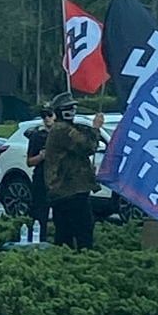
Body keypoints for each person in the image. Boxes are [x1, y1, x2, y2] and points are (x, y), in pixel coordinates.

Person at [41, 91, 105, 250]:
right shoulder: (62, 129)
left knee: (66, 234)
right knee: (82, 232)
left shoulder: (63, 128)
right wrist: (95, 129)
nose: (72, 111)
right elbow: (87, 146)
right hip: (69, 190)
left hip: (67, 190)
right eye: (69, 108)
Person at [24, 103, 55, 231]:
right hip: (41, 178)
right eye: (43, 116)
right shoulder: (37, 136)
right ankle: (39, 236)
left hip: (58, 178)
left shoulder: (62, 134)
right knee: (39, 212)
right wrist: (41, 156)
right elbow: (29, 161)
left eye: (49, 115)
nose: (47, 118)